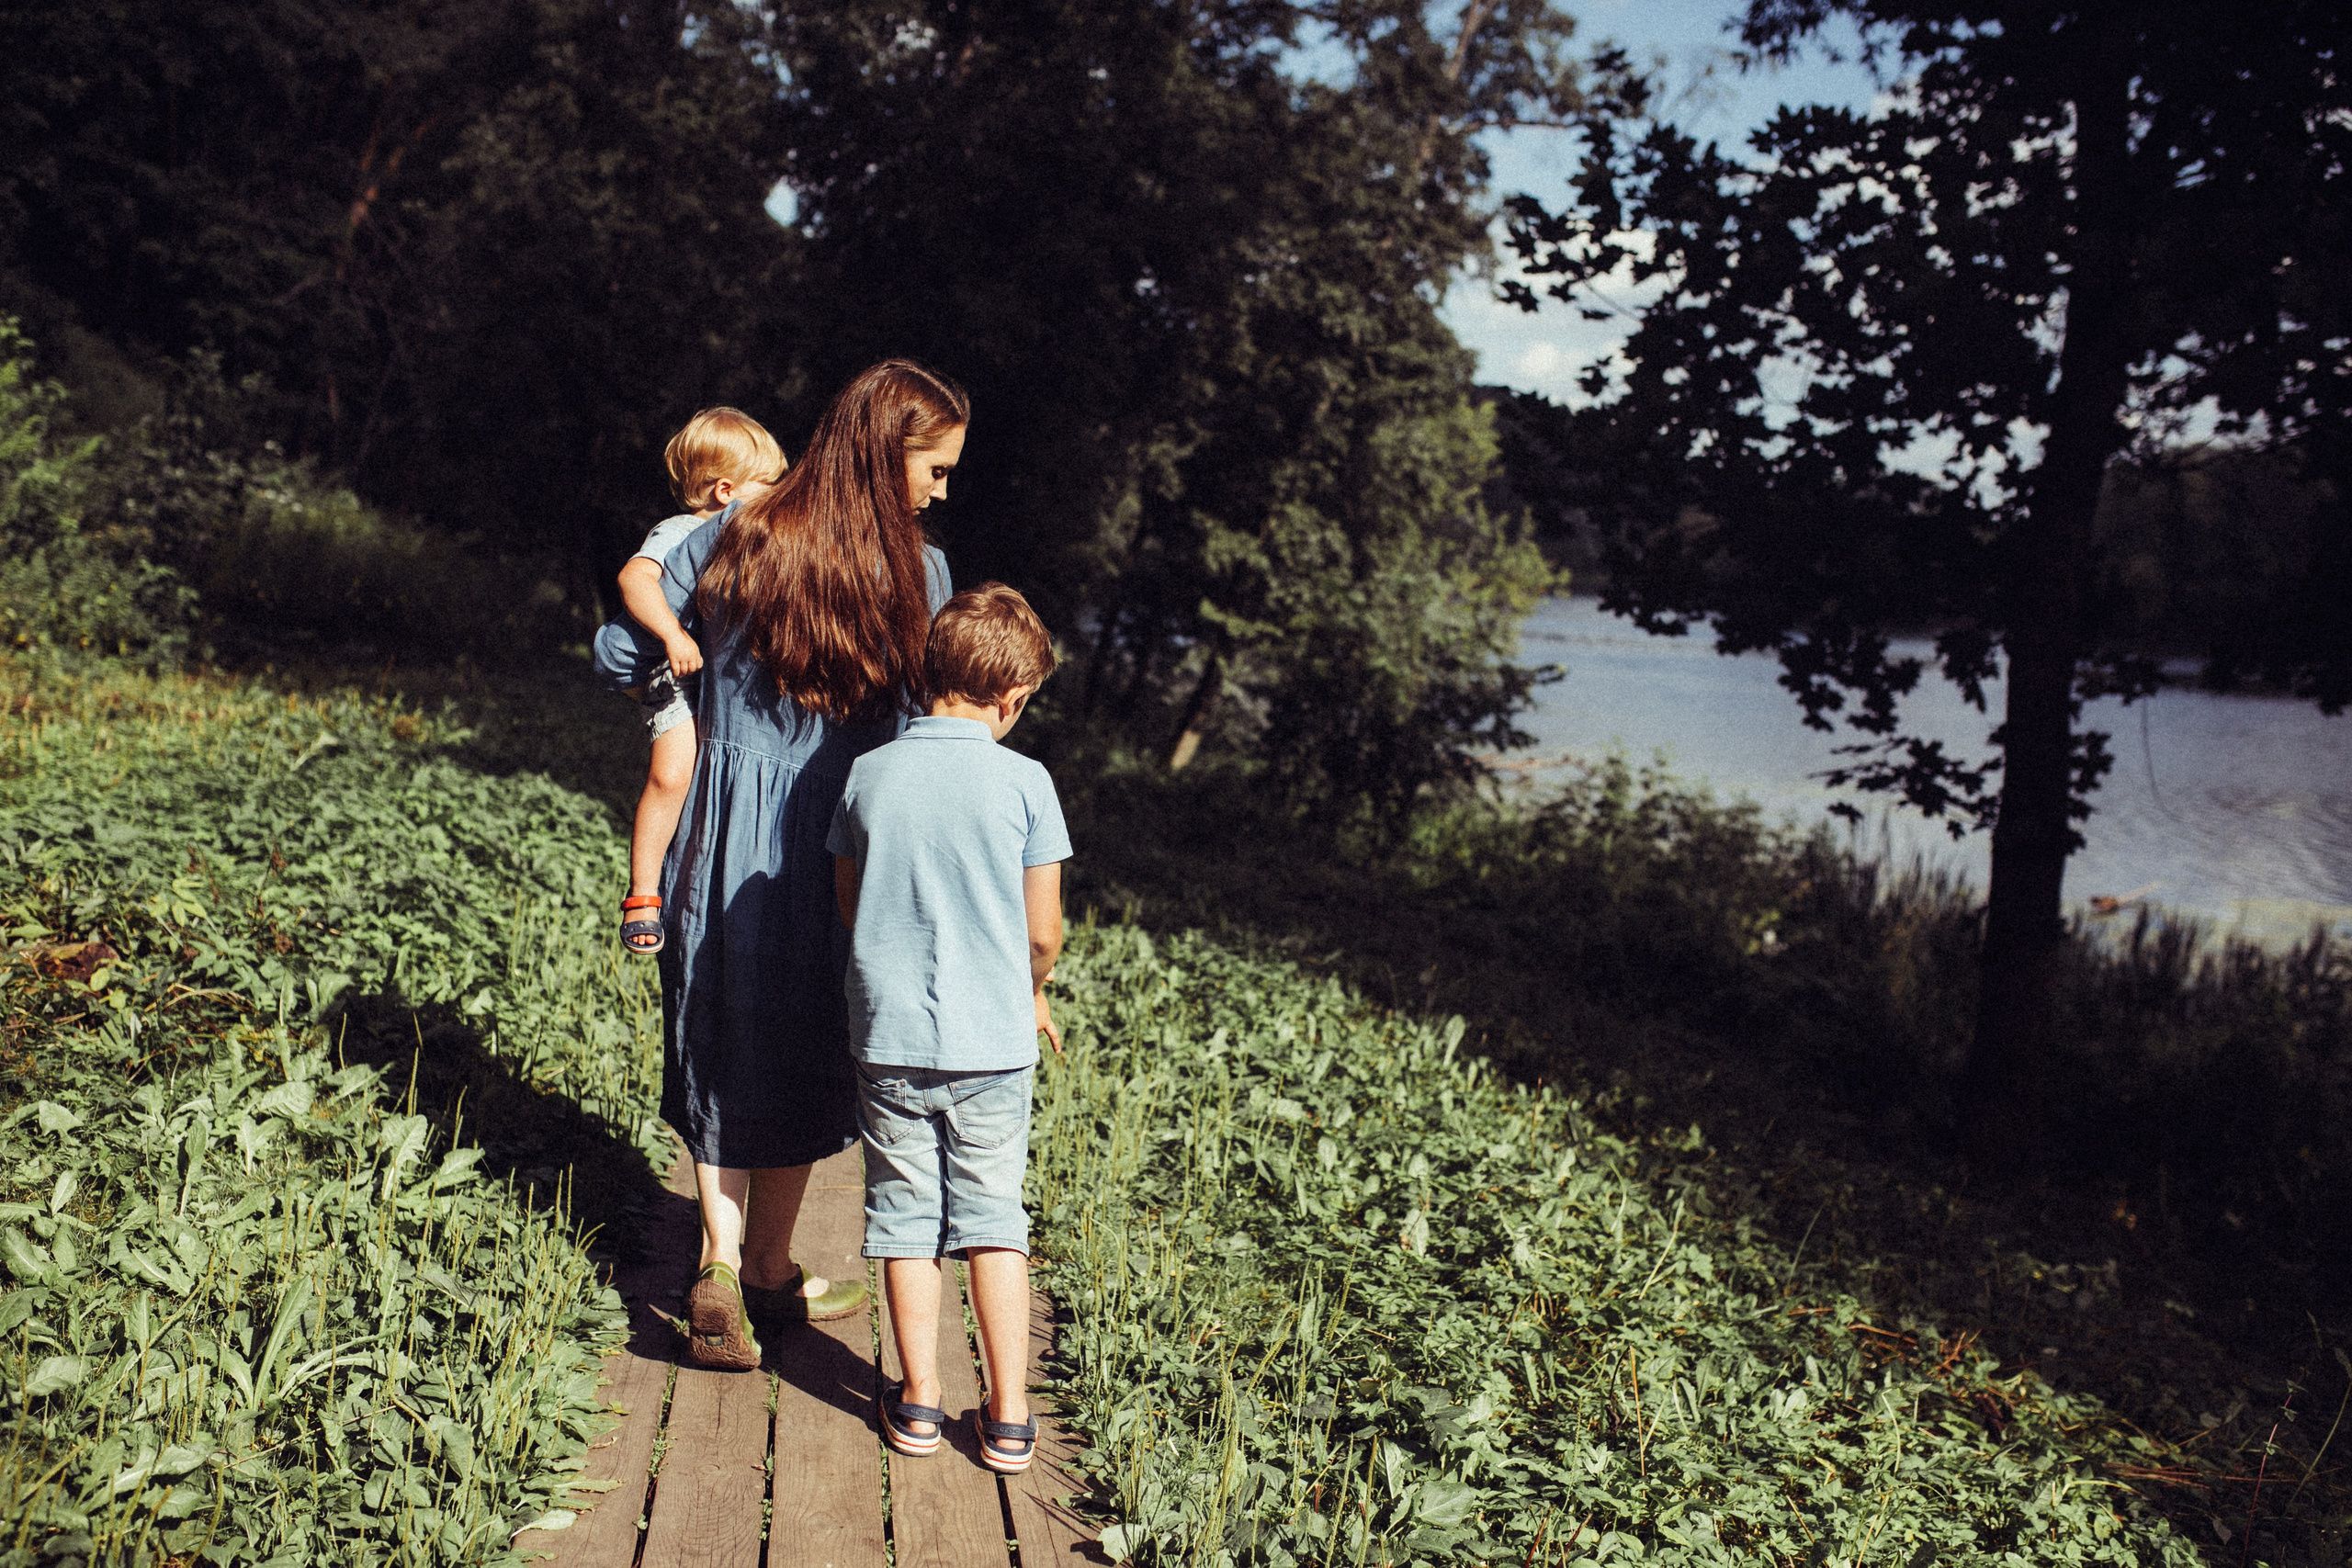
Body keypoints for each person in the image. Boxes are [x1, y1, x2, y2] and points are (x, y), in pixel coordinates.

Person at [593, 360, 969, 1370]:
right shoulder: (921, 575)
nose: (940, 491)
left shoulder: (736, 527)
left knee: (718, 1027)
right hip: (839, 836)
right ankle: (766, 1265)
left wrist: (690, 702)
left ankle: (720, 1263)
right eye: (934, 469)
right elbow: (920, 728)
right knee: (809, 1039)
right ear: (885, 455)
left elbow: (618, 651)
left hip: (720, 822)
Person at [828, 583, 1069, 1475]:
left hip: (889, 1035)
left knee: (904, 1215)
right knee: (992, 1216)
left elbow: (850, 901)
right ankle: (1008, 1416)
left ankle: (921, 1399)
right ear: (1013, 697)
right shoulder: (1026, 783)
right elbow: (1041, 933)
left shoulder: (869, 773)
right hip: (992, 1046)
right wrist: (1031, 990)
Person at [616, 408, 785, 956]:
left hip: (720, 686)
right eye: (769, 485)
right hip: (675, 678)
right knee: (671, 776)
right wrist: (672, 635)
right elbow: (634, 579)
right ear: (725, 490)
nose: (779, 496)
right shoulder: (681, 531)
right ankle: (643, 894)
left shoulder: (752, 538)